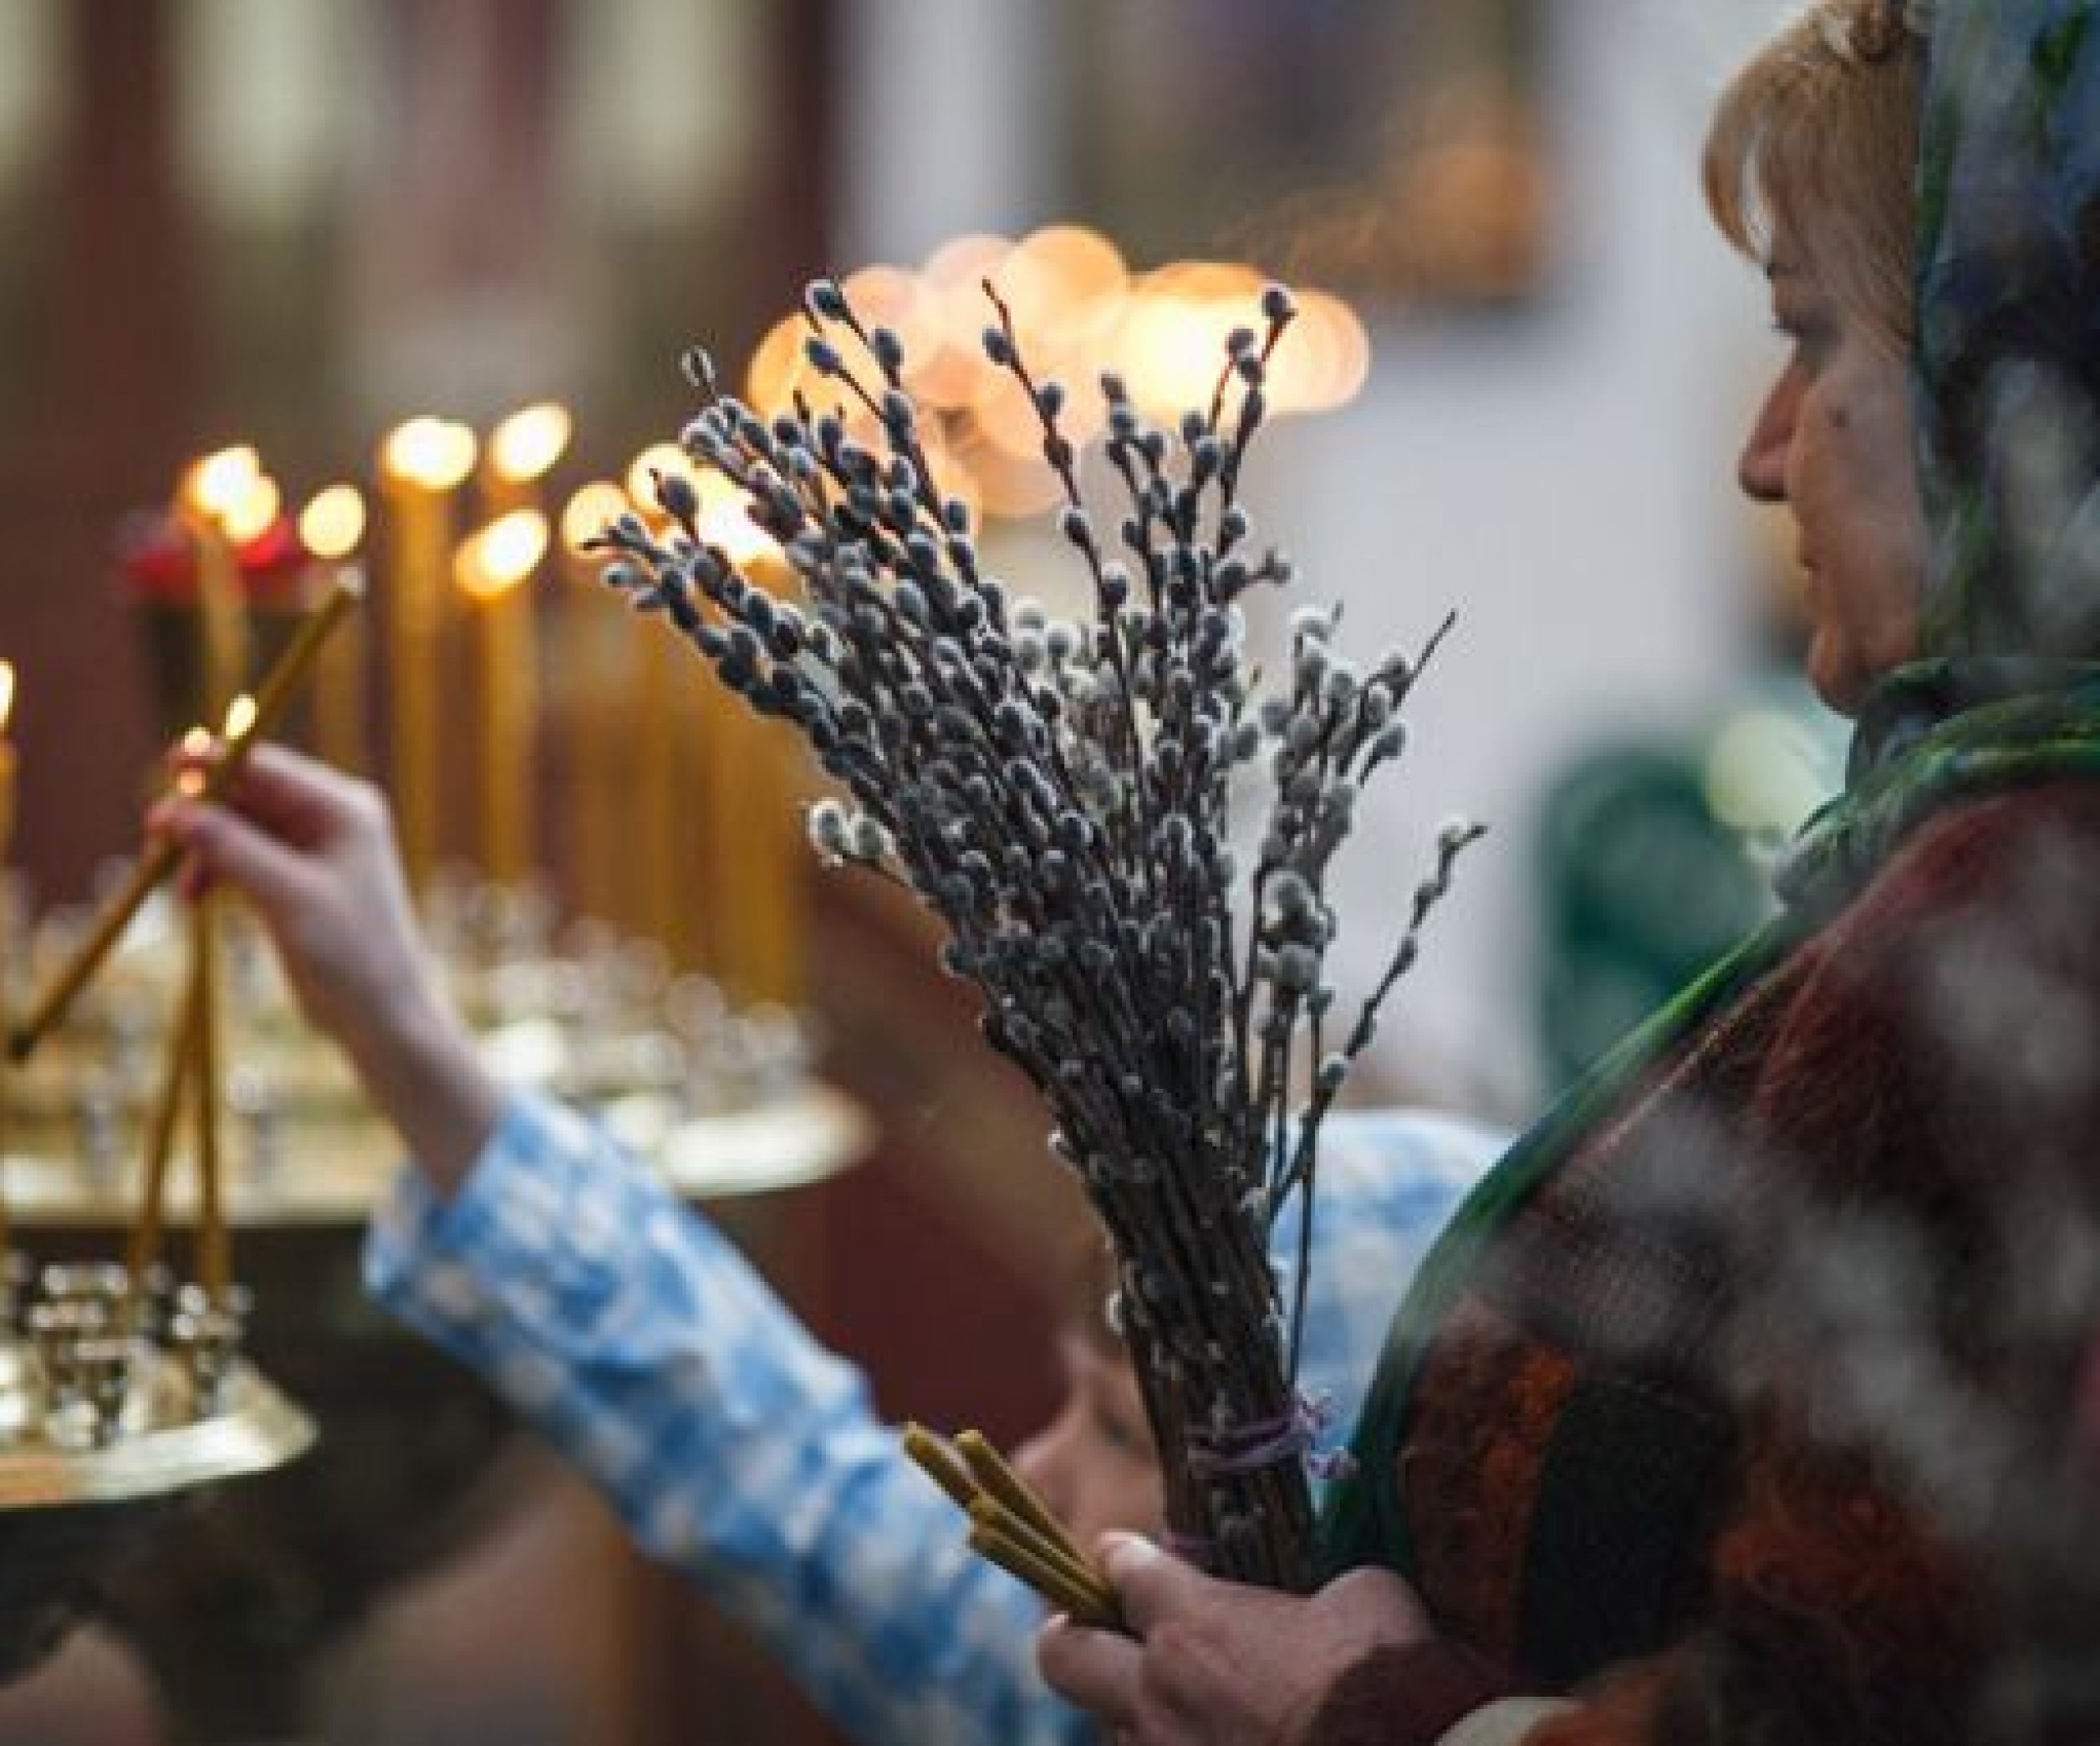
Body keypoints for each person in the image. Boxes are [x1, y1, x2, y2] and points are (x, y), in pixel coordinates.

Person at [1037, 2, 2100, 1742]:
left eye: (1810, 339)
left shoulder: (2018, 900)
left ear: (2004, 384)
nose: (1761, 449)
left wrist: (1371, 1718)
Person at [150, 742, 1504, 1746]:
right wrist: (408, 1041)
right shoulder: (1070, 1695)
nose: (1025, 1471)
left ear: (1339, 1520)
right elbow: (777, 1471)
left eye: (1116, 1434)